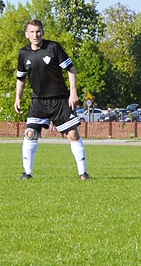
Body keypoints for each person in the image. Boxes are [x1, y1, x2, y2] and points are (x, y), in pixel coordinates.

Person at [14, 18, 91, 180]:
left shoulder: (53, 48)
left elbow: (71, 69)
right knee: (30, 133)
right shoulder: (23, 54)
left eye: (38, 31)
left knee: (72, 134)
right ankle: (27, 173)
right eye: (32, 32)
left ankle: (83, 173)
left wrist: (73, 92)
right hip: (38, 101)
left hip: (60, 100)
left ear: (42, 32)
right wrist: (17, 98)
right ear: (26, 34)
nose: (36, 35)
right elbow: (21, 78)